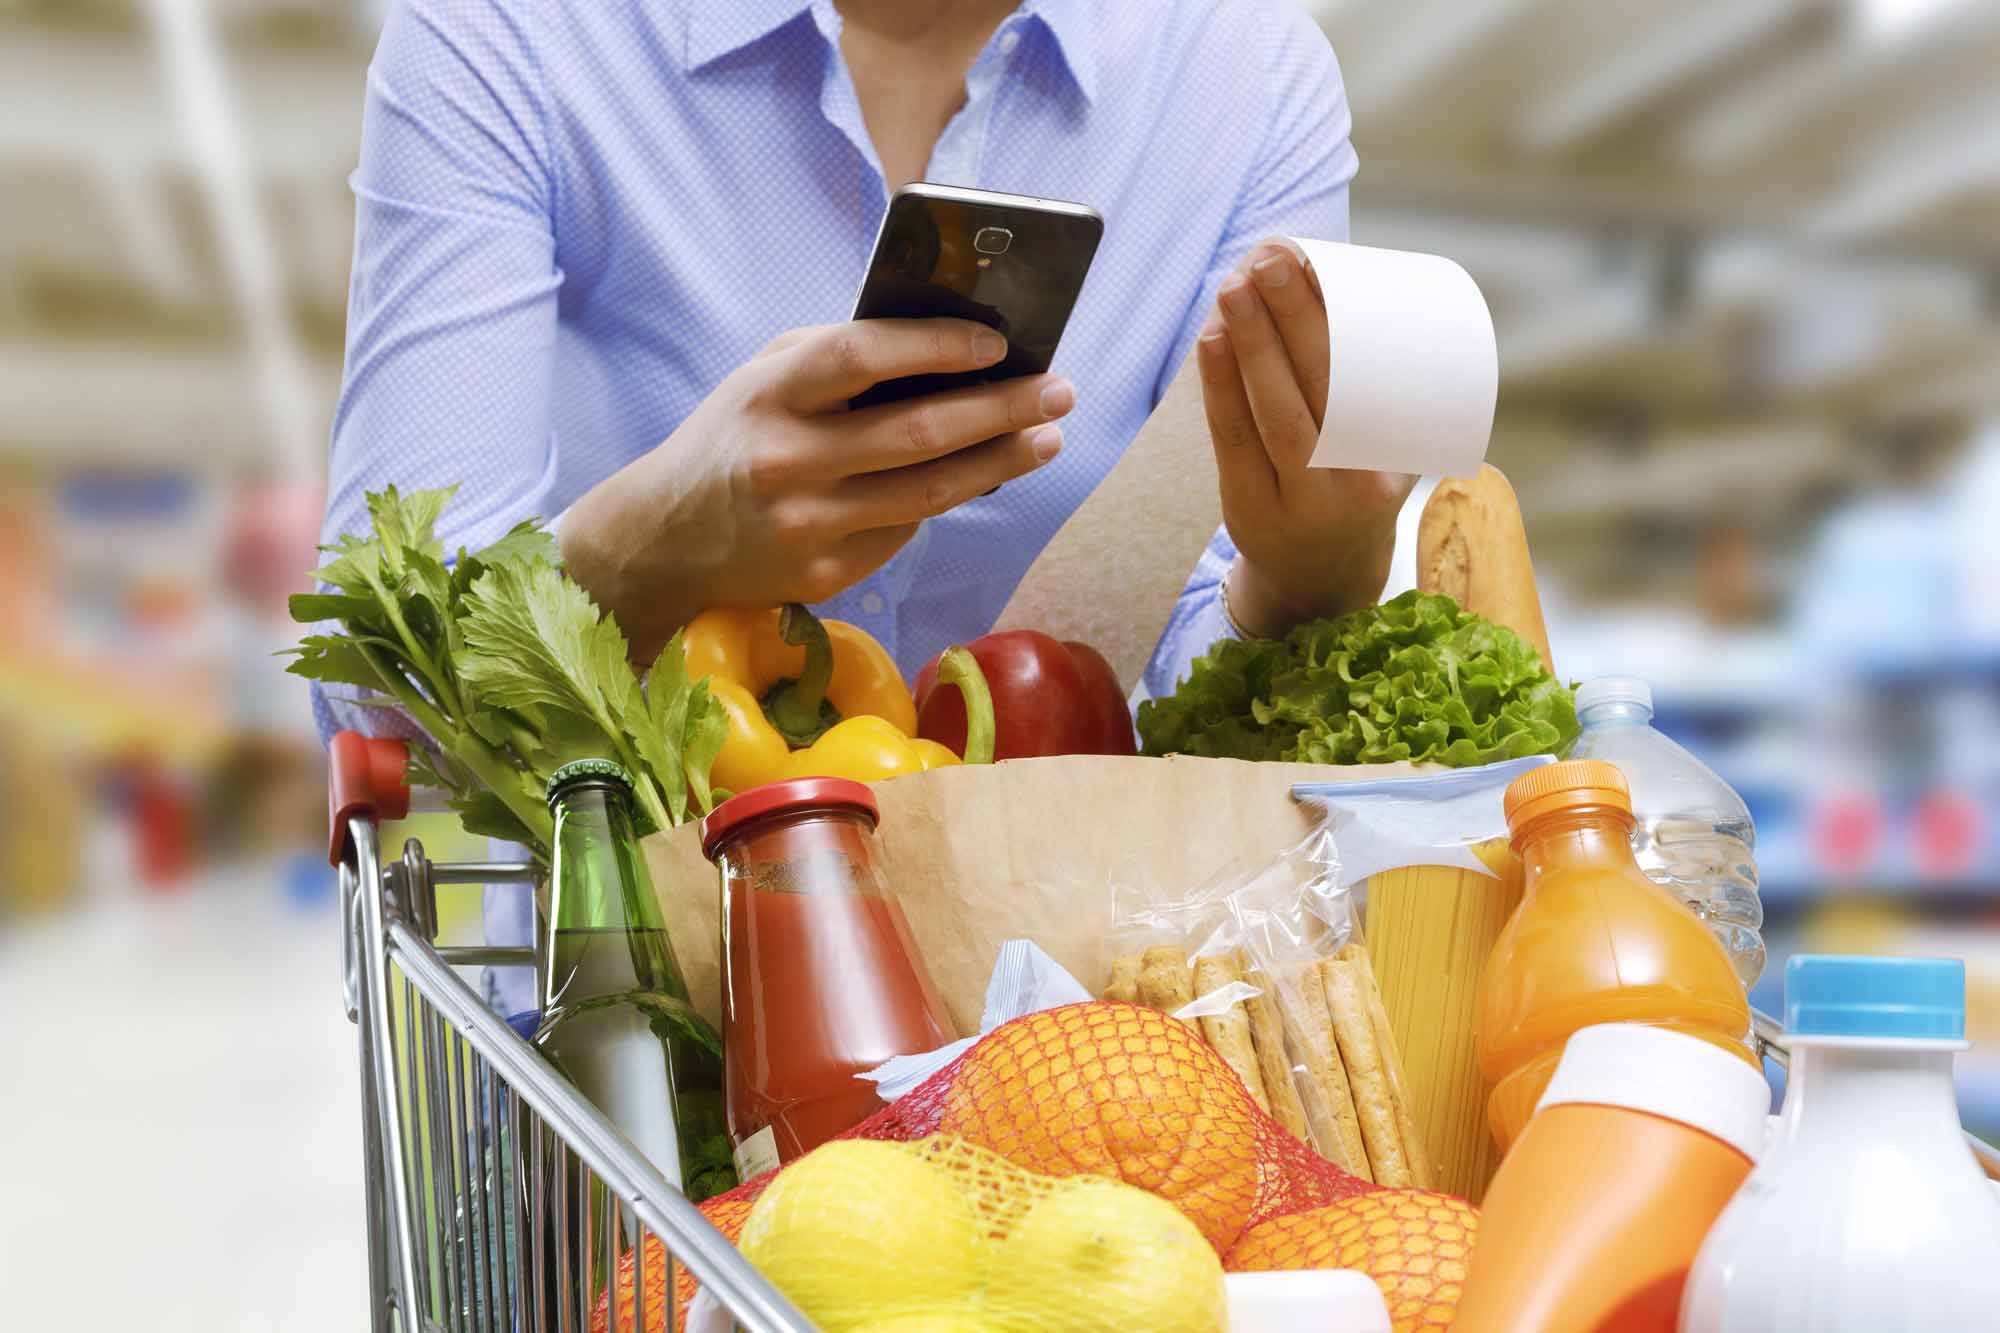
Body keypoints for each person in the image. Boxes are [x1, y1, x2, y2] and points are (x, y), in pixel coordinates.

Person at [317, 0, 1414, 1014]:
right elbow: (377, 669)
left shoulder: (1242, 70)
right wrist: (648, 550)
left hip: (1040, 996)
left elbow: (1190, 672)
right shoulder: (515, 34)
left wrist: (1301, 575)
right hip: (622, 1005)